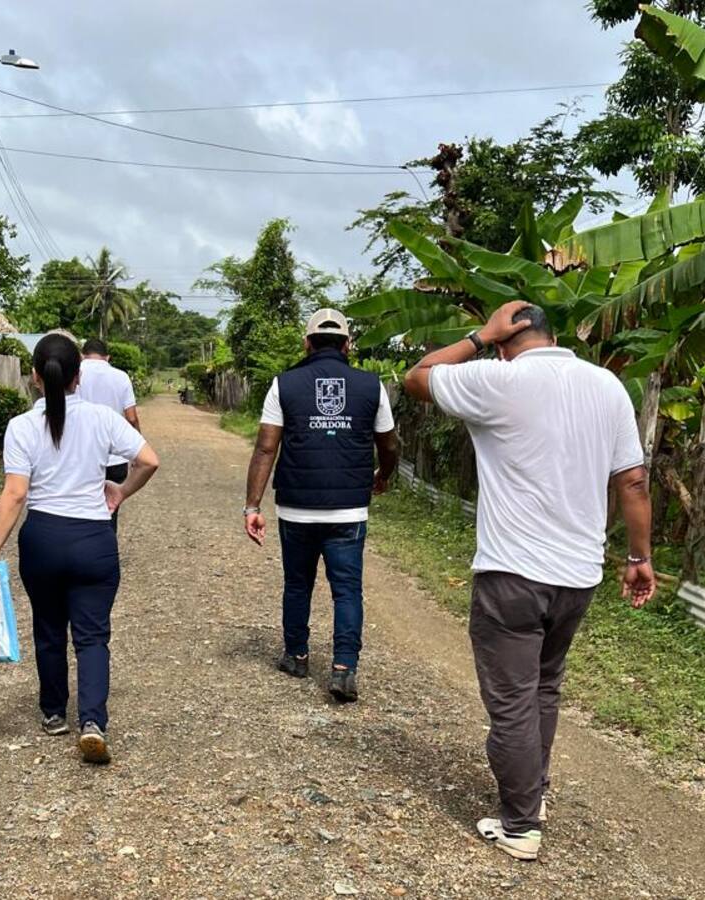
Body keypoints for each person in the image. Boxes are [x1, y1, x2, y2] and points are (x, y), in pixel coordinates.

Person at [403, 300, 656, 862]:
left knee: (514, 700)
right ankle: (531, 795)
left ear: (504, 340)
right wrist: (639, 556)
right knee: (543, 688)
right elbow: (634, 482)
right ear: (553, 334)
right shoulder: (608, 386)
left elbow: (415, 377)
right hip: (579, 576)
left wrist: (475, 335)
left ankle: (520, 824)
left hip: (512, 574)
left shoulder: (498, 379)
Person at [0, 334, 160, 765]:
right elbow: (149, 460)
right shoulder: (102, 418)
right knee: (93, 636)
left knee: (49, 628)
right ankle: (92, 722)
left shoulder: (20, 427)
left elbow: (15, 494)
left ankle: (54, 713)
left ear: (36, 377)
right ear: (79, 375)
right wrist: (120, 491)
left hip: (42, 539)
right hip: (94, 539)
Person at [243, 308, 399, 703]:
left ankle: (296, 655)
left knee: (298, 584)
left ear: (307, 343)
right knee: (347, 590)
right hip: (348, 509)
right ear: (348, 345)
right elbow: (390, 444)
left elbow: (265, 447)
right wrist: (384, 474)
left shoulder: (284, 384)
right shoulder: (371, 385)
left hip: (296, 507)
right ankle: (344, 668)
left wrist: (252, 505)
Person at [76, 338, 140, 532]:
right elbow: (131, 417)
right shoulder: (121, 377)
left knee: (80, 506)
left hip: (81, 455)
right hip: (114, 457)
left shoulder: (75, 373)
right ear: (108, 357)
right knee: (111, 506)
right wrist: (136, 447)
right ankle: (106, 547)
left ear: (82, 354)